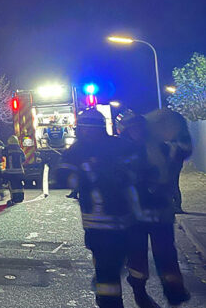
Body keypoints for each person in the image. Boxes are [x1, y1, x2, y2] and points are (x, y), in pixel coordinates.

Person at [56, 109, 142, 308]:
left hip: (101, 220)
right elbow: (141, 168)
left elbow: (62, 174)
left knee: (106, 267)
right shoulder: (119, 145)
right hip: (119, 219)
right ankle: (110, 296)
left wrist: (82, 179)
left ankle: (109, 299)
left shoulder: (79, 150)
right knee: (109, 265)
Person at [121, 111, 191, 307]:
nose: (136, 132)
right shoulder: (122, 150)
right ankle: (139, 290)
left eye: (139, 128)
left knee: (167, 255)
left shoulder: (161, 147)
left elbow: (178, 159)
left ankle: (174, 293)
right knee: (136, 258)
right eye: (132, 129)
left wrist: (181, 142)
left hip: (160, 212)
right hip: (133, 214)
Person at [146, 109, 192, 214]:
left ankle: (175, 206)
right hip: (172, 161)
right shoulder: (178, 131)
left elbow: (185, 148)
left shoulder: (176, 136)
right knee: (172, 184)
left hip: (173, 162)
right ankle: (174, 206)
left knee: (172, 183)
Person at [3, 135, 26, 206]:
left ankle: (14, 199)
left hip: (11, 171)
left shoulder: (7, 149)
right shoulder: (20, 149)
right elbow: (24, 159)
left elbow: (1, 154)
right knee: (19, 185)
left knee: (12, 186)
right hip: (20, 171)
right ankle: (20, 198)